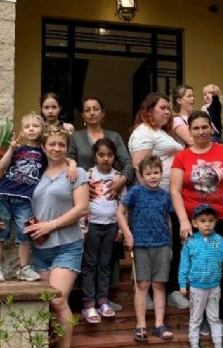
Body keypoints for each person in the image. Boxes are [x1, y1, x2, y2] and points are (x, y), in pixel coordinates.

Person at [0, 126, 89, 348]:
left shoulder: (76, 172)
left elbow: (82, 208)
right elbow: (7, 194)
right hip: (39, 250)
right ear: (44, 147)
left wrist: (51, 224)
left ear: (67, 147)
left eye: (61, 145)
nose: (56, 149)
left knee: (58, 300)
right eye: (52, 144)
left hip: (67, 244)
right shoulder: (33, 173)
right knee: (46, 304)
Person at [171, 111, 223, 337]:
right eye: (196, 128)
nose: (201, 132)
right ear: (189, 131)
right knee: (197, 271)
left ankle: (222, 318)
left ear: (211, 128)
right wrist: (184, 221)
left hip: (222, 221)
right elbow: (174, 190)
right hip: (193, 223)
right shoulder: (182, 157)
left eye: (205, 127)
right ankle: (200, 318)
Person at [68, 97, 134, 311]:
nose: (92, 113)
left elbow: (127, 162)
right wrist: (79, 181)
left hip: (111, 196)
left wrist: (121, 180)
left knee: (107, 257)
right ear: (82, 115)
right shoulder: (76, 137)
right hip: (85, 198)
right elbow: (70, 160)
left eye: (96, 109)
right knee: (87, 256)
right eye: (87, 110)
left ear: (103, 113)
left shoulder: (113, 136)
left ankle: (105, 297)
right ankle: (86, 299)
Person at [128, 92, 188, 310]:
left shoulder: (161, 132)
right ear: (149, 109)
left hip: (169, 198)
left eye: (168, 108)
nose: (167, 111)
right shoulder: (143, 133)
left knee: (170, 247)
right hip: (152, 202)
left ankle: (170, 289)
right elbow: (139, 167)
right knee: (151, 247)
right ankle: (148, 292)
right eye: (162, 107)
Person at [117, 155, 174, 343]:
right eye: (148, 173)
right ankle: (140, 325)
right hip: (141, 244)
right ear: (141, 175)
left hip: (162, 244)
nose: (153, 176)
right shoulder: (136, 192)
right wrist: (127, 233)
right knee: (142, 285)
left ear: (161, 173)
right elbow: (120, 212)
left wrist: (171, 243)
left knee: (159, 284)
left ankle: (159, 325)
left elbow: (168, 220)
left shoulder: (165, 196)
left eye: (156, 172)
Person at [179, 204, 223, 348]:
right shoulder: (190, 241)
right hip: (197, 288)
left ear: (216, 222)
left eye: (211, 221)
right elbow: (184, 263)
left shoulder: (219, 239)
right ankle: (194, 347)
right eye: (203, 220)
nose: (207, 224)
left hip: (214, 287)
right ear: (195, 223)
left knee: (214, 318)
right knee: (195, 318)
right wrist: (182, 283)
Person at [0, 112, 46, 283]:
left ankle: (24, 268)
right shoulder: (18, 149)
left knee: (25, 232)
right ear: (22, 130)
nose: (31, 129)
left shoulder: (44, 151)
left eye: (35, 126)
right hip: (4, 193)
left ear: (42, 129)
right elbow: (1, 165)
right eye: (27, 127)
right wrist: (11, 148)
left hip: (25, 198)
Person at [80, 138, 125, 323]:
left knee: (105, 264)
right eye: (101, 155)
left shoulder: (118, 177)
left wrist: (122, 229)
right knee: (90, 264)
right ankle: (89, 304)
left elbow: (124, 203)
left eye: (109, 155)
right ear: (95, 156)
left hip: (111, 225)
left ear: (114, 156)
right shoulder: (87, 175)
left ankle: (103, 301)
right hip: (91, 227)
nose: (105, 158)